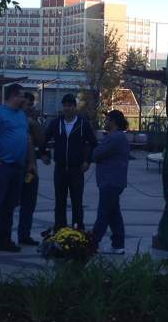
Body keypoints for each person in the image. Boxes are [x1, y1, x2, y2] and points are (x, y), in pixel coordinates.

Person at [0, 83, 34, 255]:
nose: (24, 99)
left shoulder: (21, 116)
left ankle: (4, 239)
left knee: (10, 205)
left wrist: (29, 162)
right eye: (21, 96)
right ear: (13, 96)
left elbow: (26, 139)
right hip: (0, 166)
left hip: (17, 167)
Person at [43, 94, 97, 230]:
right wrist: (43, 154)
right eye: (65, 105)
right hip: (60, 168)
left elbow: (93, 143)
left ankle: (77, 228)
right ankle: (59, 228)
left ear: (75, 107)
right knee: (60, 201)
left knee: (76, 201)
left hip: (76, 169)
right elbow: (43, 139)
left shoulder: (83, 124)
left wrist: (87, 161)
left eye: (70, 105)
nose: (67, 108)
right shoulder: (56, 123)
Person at [91, 110, 131, 254]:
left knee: (103, 213)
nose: (105, 122)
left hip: (110, 182)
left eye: (107, 119)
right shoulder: (118, 137)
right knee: (114, 214)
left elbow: (96, 154)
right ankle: (118, 244)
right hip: (114, 181)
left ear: (113, 121)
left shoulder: (115, 138)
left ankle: (92, 243)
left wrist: (98, 148)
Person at [16, 91, 46, 247]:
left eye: (30, 105)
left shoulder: (32, 122)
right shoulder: (14, 119)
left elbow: (42, 141)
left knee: (29, 202)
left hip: (30, 166)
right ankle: (2, 236)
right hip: (15, 165)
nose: (28, 108)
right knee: (8, 202)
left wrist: (35, 123)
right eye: (26, 105)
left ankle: (24, 234)